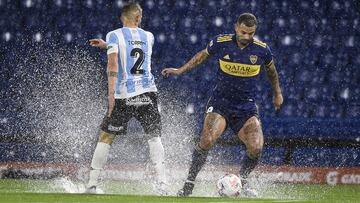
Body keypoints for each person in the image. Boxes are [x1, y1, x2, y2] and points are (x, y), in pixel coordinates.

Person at [162, 13, 283, 197]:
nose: (247, 37)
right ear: (236, 27)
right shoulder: (221, 42)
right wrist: (180, 70)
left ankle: (242, 181)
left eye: (251, 33)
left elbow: (272, 71)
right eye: (244, 32)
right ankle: (189, 184)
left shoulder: (262, 50)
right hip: (221, 104)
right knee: (207, 140)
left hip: (246, 107)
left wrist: (278, 93)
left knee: (256, 147)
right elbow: (201, 56)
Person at [85, 2, 168, 195]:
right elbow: (135, 53)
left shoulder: (114, 35)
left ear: (123, 18)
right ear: (138, 17)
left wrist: (111, 96)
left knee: (106, 136)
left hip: (124, 95)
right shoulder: (149, 37)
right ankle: (163, 184)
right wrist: (108, 46)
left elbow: (113, 65)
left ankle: (92, 184)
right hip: (148, 93)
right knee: (154, 137)